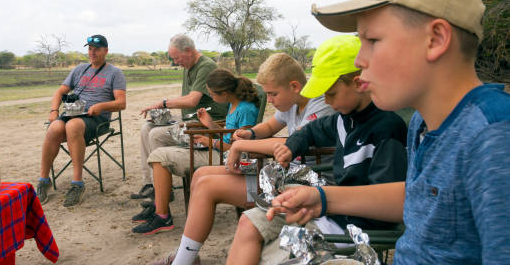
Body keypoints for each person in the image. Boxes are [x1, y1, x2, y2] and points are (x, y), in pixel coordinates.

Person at [264, 0, 510, 264]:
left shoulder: (495, 135)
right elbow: (420, 197)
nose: (359, 61)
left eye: (372, 41)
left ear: (435, 39)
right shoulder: (425, 121)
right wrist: (324, 199)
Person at [226, 35, 408, 264]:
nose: (327, 102)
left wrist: (325, 202)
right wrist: (291, 146)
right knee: (249, 222)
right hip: (329, 208)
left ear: (358, 82)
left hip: (353, 226)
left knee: (270, 254)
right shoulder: (343, 119)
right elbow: (310, 131)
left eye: (331, 93)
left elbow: (386, 202)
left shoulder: (386, 129)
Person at [150, 52, 335, 265]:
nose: (271, 100)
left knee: (208, 186)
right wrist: (251, 133)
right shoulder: (291, 103)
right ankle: (187, 255)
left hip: (306, 182)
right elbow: (269, 126)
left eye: (273, 94)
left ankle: (183, 260)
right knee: (201, 174)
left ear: (294, 86)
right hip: (283, 172)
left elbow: (293, 143)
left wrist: (240, 144)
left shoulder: (321, 105)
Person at [131, 68, 260, 235]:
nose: (211, 98)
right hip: (219, 150)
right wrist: (209, 124)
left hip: (225, 157)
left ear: (225, 92)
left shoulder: (245, 110)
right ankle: (159, 205)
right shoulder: (233, 104)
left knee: (159, 156)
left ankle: (162, 216)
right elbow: (229, 135)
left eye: (213, 94)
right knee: (161, 151)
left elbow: (242, 150)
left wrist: (210, 141)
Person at [131, 34, 227, 200]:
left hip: (206, 124)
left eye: (177, 58)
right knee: (147, 127)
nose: (176, 62)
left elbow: (192, 100)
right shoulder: (188, 66)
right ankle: (150, 184)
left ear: (188, 51)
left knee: (156, 135)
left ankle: (162, 192)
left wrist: (163, 103)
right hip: (190, 120)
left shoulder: (206, 66)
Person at [36, 34, 126, 207]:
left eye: (97, 49)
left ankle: (77, 183)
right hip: (72, 112)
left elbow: (121, 103)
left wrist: (101, 106)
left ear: (106, 51)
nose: (92, 53)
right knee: (54, 128)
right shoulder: (79, 69)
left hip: (97, 118)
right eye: (90, 49)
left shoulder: (115, 73)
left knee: (73, 125)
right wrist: (54, 110)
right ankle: (44, 180)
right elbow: (60, 92)